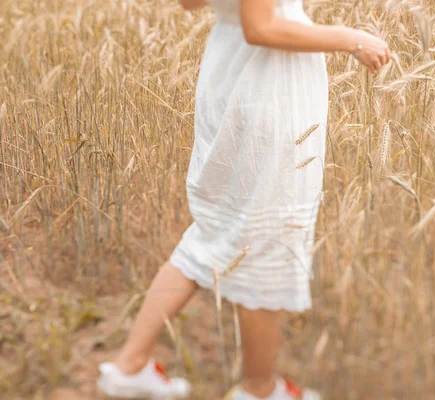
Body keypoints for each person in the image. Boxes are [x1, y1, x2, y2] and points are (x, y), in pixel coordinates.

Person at [97, 0, 391, 399]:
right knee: (266, 238)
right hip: (266, 86)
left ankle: (130, 367)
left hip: (235, 74)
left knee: (216, 232)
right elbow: (262, 27)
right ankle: (259, 390)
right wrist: (351, 39)